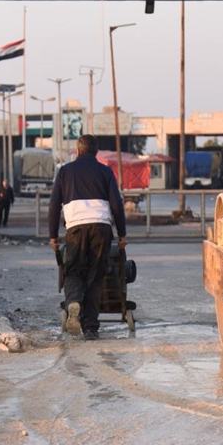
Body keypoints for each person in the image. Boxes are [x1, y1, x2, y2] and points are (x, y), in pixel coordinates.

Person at [49, 134, 127, 340]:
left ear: (77, 150)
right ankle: (90, 327)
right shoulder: (105, 171)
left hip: (75, 228)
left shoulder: (65, 172)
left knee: (74, 270)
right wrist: (122, 233)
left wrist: (52, 235)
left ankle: (74, 301)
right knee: (95, 275)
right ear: (96, 152)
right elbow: (116, 204)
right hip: (101, 227)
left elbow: (54, 204)